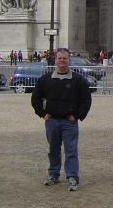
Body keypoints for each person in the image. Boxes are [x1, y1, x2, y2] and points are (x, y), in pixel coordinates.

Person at [31, 47, 92, 191]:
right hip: (51, 121)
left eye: (65, 58)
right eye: (60, 58)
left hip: (69, 122)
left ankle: (72, 176)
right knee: (53, 149)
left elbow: (86, 100)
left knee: (71, 150)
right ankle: (53, 174)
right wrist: (42, 113)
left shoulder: (78, 80)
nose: (62, 61)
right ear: (55, 60)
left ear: (69, 60)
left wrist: (77, 116)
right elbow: (35, 98)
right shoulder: (45, 79)